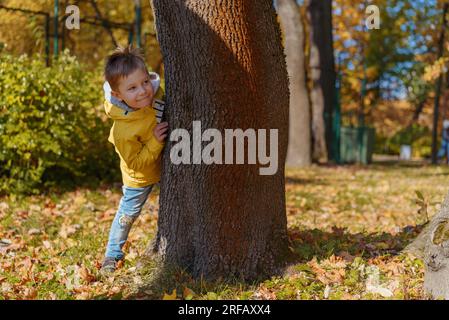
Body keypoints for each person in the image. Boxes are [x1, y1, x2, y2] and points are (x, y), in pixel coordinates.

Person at [101, 45, 168, 273]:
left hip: (165, 167)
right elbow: (135, 163)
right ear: (117, 95)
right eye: (132, 88)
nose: (143, 92)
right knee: (127, 216)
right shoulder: (123, 130)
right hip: (139, 178)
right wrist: (155, 142)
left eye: (145, 82)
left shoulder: (155, 93)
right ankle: (112, 255)